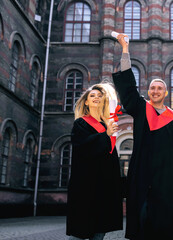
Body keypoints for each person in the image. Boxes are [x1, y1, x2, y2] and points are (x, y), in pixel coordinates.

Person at [112, 34, 173, 240]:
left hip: (167, 178)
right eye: (152, 88)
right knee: (142, 222)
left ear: (166, 92)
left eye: (159, 88)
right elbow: (127, 88)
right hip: (142, 175)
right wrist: (125, 49)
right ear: (148, 91)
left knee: (165, 223)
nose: (155, 91)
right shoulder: (140, 108)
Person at [66, 83, 124, 240]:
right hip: (85, 187)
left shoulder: (107, 124)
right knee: (79, 233)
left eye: (100, 95)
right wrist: (105, 135)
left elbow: (111, 158)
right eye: (92, 96)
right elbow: (83, 148)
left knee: (99, 232)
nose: (96, 97)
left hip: (103, 188)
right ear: (86, 102)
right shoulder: (81, 123)